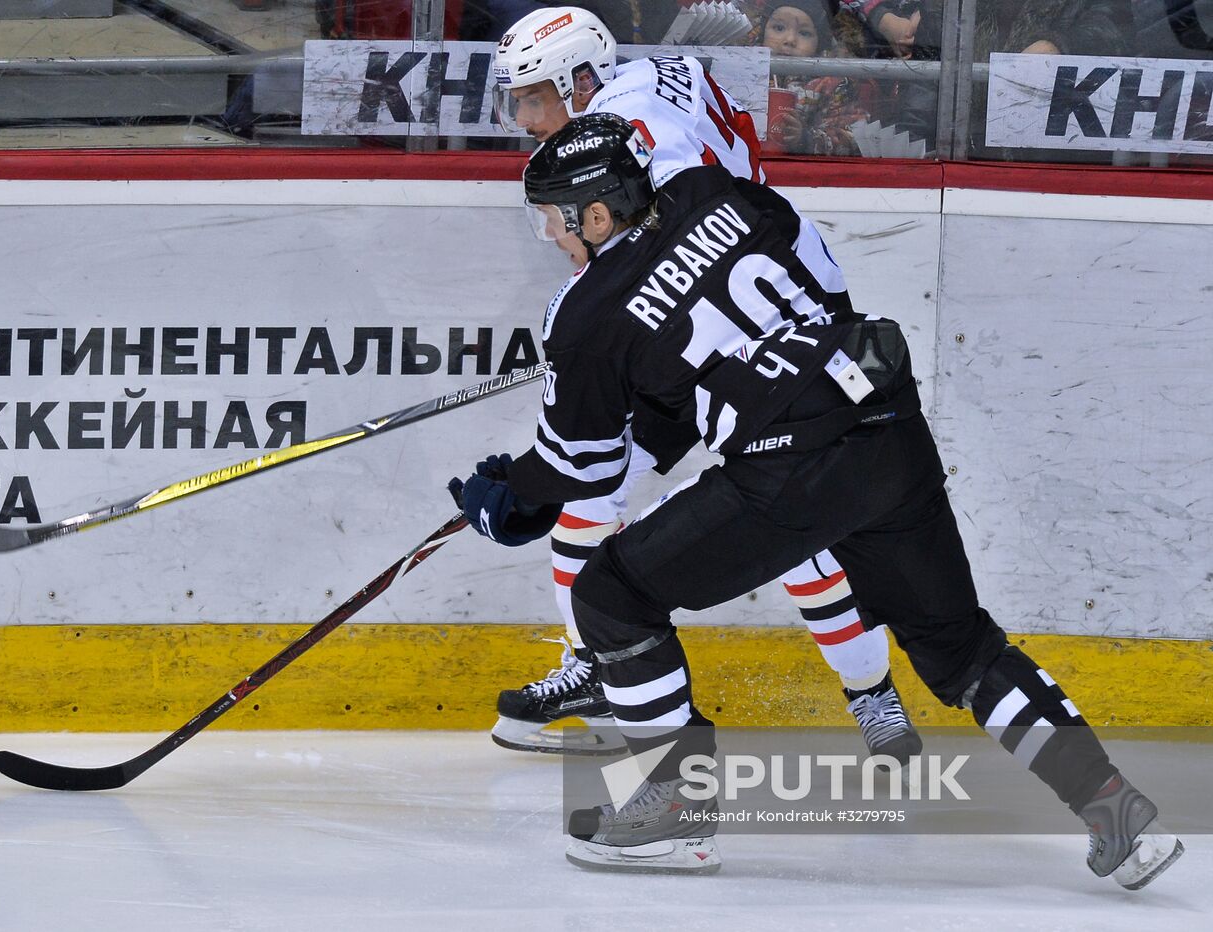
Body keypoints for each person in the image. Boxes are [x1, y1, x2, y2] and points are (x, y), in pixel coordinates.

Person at [449, 112, 1185, 884]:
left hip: (790, 469)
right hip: (885, 421)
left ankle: (676, 812)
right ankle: (1117, 811)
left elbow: (586, 470)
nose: (556, 240)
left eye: (553, 222)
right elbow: (821, 290)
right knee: (964, 651)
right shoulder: (715, 192)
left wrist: (510, 499)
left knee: (610, 594)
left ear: (595, 214)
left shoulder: (585, 312)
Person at [486, 4, 922, 763]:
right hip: (695, 328)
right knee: (588, 501)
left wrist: (599, 336)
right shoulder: (655, 75)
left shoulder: (633, 136)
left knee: (795, 529)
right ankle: (596, 665)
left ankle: (871, 694)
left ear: (581, 80)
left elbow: (679, 243)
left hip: (747, 344)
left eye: (532, 95)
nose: (522, 116)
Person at [756, 0, 874, 156]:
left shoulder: (833, 83)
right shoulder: (747, 74)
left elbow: (852, 138)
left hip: (802, 172)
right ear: (763, 31)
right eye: (779, 28)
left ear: (819, 43)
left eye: (804, 33)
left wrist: (804, 139)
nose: (789, 40)